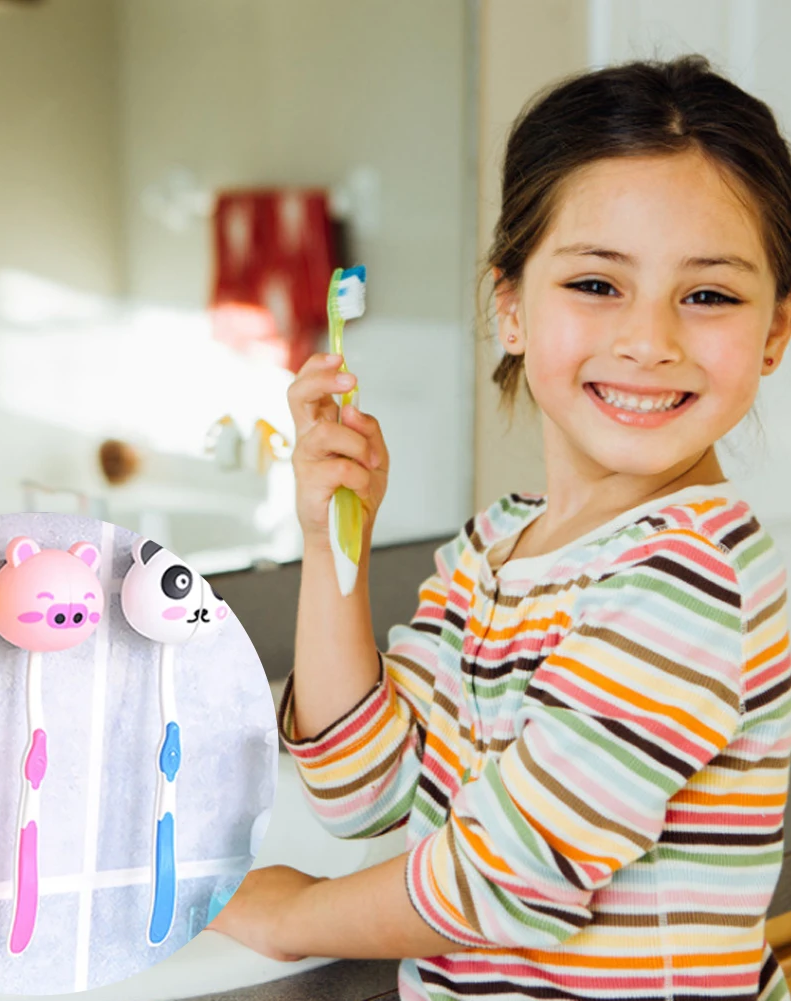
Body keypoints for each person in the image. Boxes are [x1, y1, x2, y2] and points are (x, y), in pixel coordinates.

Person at [210, 54, 791, 1001]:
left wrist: (289, 915)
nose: (649, 339)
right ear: (510, 306)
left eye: (709, 294)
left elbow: (503, 877)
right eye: (597, 284)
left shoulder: (693, 577)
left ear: (773, 332)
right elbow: (368, 789)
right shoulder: (495, 552)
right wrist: (330, 542)